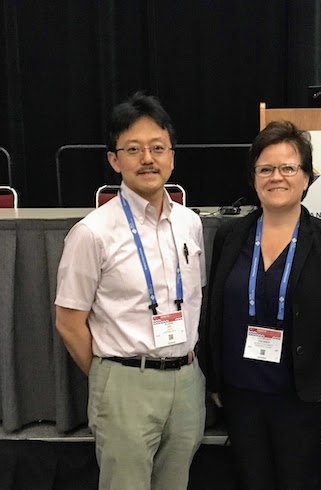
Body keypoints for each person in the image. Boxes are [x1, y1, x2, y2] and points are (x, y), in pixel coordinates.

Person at [55, 92, 206, 489]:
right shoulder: (92, 233)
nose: (148, 159)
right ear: (114, 159)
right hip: (125, 383)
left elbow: (193, 299)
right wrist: (112, 376)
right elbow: (69, 321)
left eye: (158, 147)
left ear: (172, 155)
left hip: (187, 380)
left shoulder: (190, 224)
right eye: (134, 149)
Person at [204, 120, 321, 489]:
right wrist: (215, 378)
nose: (277, 177)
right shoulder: (230, 236)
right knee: (252, 480)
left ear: (306, 178)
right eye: (266, 168)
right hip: (241, 396)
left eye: (288, 167)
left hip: (301, 397)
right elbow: (214, 310)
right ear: (254, 177)